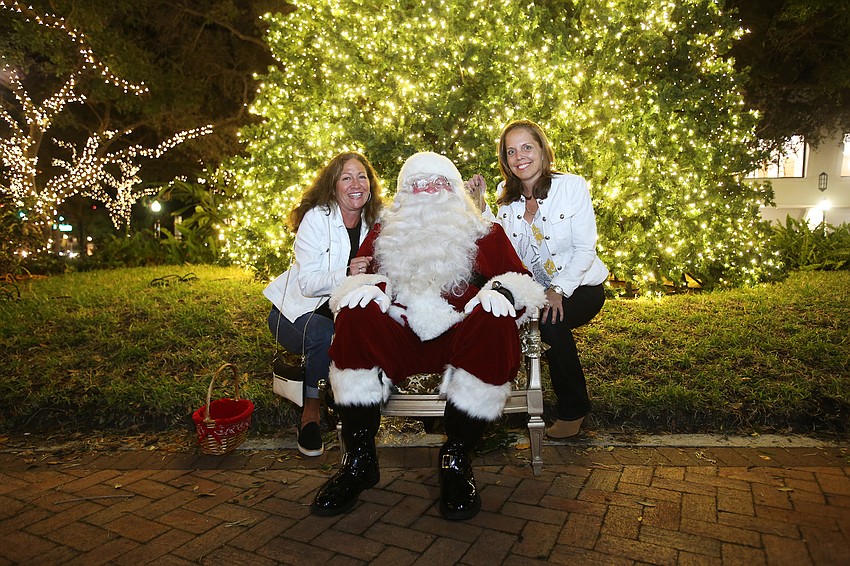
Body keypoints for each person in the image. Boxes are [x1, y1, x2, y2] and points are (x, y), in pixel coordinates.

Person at [310, 151, 545, 521]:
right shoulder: (386, 232)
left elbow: (522, 282)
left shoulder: (486, 232)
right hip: (399, 336)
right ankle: (358, 459)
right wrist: (368, 285)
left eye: (436, 184)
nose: (426, 192)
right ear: (404, 194)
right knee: (356, 313)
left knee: (494, 318)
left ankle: (456, 458)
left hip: (460, 337)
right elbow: (358, 277)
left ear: (453, 190)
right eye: (417, 185)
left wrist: (501, 293)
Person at [466, 119, 608, 439]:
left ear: (543, 150)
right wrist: (480, 207)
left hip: (580, 286)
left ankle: (574, 409)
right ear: (505, 160)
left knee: (551, 320)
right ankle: (493, 410)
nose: (520, 157)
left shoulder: (571, 186)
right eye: (511, 151)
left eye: (527, 147)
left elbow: (586, 250)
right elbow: (499, 240)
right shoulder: (507, 195)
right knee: (490, 317)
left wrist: (558, 290)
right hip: (535, 288)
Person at [263, 151, 383, 456]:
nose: (356, 184)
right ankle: (311, 415)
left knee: (359, 331)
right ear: (333, 187)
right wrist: (346, 271)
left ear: (370, 184)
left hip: (341, 314)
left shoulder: (379, 221)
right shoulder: (317, 219)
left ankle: (347, 405)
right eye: (346, 177)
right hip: (293, 314)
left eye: (362, 176)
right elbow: (307, 283)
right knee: (323, 334)